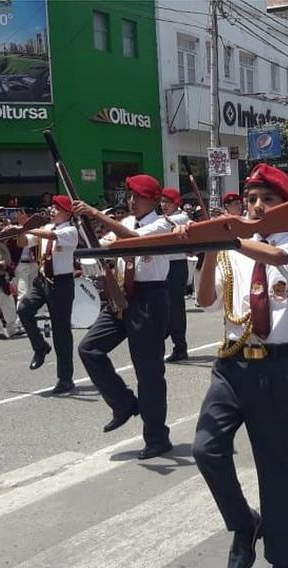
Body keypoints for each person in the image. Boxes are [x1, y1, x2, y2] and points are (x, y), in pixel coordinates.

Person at [189, 163, 288, 568]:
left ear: (287, 206)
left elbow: (276, 258)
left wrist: (227, 237)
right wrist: (210, 250)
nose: (257, 206)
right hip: (230, 364)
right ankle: (244, 522)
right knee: (206, 449)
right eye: (251, 199)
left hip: (275, 369)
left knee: (275, 470)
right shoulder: (232, 248)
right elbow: (204, 300)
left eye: (267, 199)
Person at [74, 174, 175, 460]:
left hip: (150, 298)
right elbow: (104, 243)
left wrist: (95, 213)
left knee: (148, 372)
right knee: (89, 348)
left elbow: (134, 240)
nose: (132, 201)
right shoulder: (126, 222)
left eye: (139, 197)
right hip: (122, 296)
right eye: (130, 196)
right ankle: (123, 403)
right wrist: (85, 226)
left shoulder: (162, 224)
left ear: (154, 200)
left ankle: (157, 437)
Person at [16, 195, 79, 395]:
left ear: (67, 212)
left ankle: (65, 378)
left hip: (61, 283)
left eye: (57, 208)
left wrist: (27, 227)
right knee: (24, 309)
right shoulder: (46, 228)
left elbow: (50, 237)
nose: (52, 210)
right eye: (52, 207)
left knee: (61, 332)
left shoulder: (70, 231)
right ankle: (40, 346)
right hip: (43, 280)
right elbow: (23, 242)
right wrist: (19, 231)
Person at [160, 187, 191, 362]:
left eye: (168, 202)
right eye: (162, 202)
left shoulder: (181, 217)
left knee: (175, 308)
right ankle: (164, 339)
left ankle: (180, 346)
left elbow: (162, 224)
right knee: (165, 307)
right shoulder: (165, 218)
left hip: (177, 266)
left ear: (176, 203)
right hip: (164, 264)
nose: (164, 205)